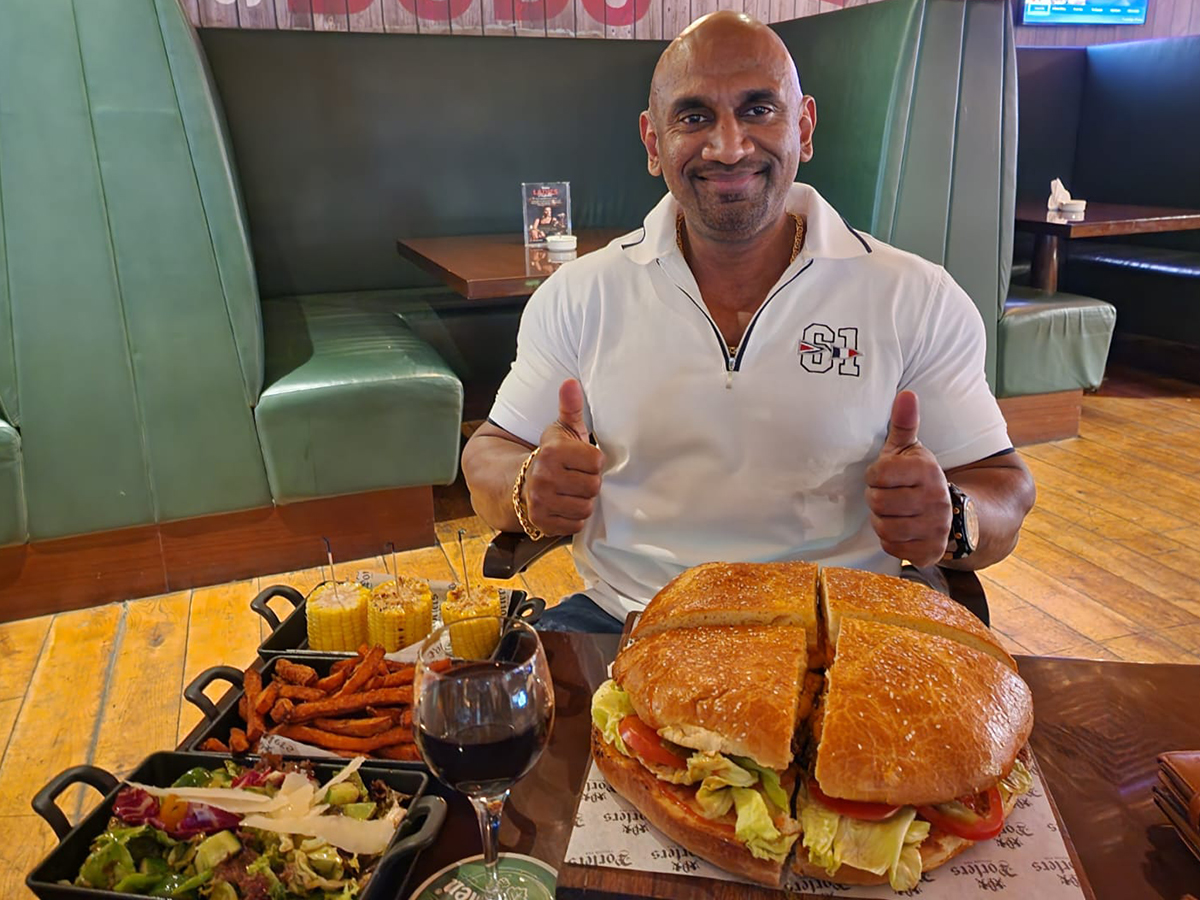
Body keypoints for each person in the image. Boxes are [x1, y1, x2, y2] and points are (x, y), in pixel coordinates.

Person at [462, 11, 1035, 633]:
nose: (729, 146)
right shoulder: (579, 294)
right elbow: (489, 455)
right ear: (653, 142)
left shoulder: (915, 295)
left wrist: (954, 517)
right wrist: (527, 488)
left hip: (845, 628)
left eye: (759, 109)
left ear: (804, 127)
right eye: (694, 116)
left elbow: (1003, 484)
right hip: (630, 618)